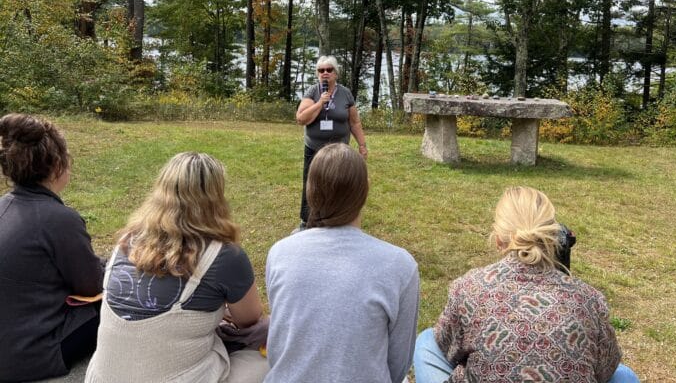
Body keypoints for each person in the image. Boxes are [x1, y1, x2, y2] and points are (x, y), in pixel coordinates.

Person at [413, 186, 641, 383]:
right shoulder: (589, 298)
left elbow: (447, 348)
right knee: (624, 374)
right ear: (556, 235)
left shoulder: (468, 288)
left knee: (426, 340)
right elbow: (605, 369)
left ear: (499, 238)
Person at [85, 152, 268, 383]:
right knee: (266, 356)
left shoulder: (126, 241)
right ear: (216, 196)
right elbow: (250, 322)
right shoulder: (226, 256)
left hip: (103, 377)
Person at [264, 143, 419, 383]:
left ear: (310, 191)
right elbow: (398, 364)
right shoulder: (400, 266)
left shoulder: (280, 253)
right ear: (365, 190)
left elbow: (280, 347)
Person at [0, 113, 104, 382]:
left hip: (11, 338)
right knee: (119, 299)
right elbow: (91, 286)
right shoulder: (59, 219)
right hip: (30, 355)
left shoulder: (3, 206)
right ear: (57, 164)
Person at [295, 55, 367, 229]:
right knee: (311, 184)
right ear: (317, 74)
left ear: (336, 73)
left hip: (339, 149)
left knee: (339, 182)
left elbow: (354, 122)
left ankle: (339, 217)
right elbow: (301, 118)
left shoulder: (345, 93)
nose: (325, 73)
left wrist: (362, 145)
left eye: (329, 70)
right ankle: (307, 221)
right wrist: (320, 103)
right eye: (321, 70)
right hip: (314, 148)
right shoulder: (313, 92)